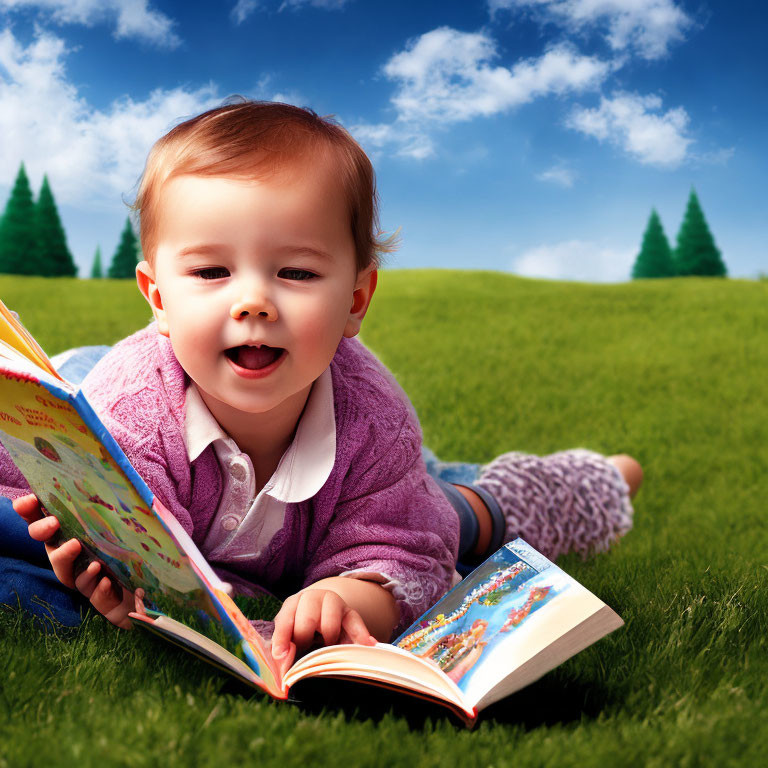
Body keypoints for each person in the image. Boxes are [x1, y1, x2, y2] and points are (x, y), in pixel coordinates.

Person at [0, 101, 641, 662]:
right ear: (157, 297)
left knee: (451, 514)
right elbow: (137, 563)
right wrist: (122, 582)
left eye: (298, 274)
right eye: (212, 271)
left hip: (349, 488)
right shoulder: (130, 411)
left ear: (356, 299)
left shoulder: (374, 422)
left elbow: (404, 553)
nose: (252, 302)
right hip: (111, 382)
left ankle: (585, 480)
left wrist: (345, 595)